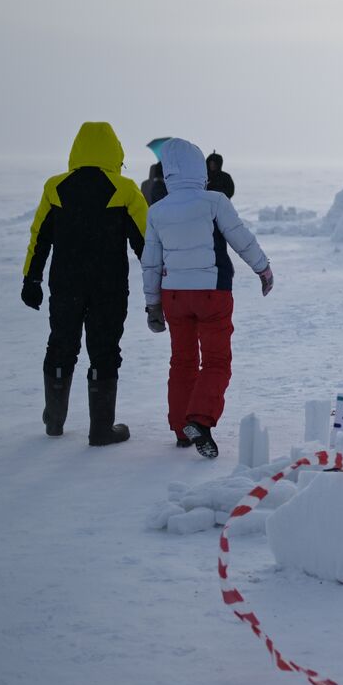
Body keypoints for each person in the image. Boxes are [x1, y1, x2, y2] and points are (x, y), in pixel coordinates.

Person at [142, 138, 273, 458]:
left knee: (182, 361)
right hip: (212, 292)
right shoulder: (214, 201)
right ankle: (199, 420)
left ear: (168, 171)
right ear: (199, 167)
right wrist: (263, 269)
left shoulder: (157, 210)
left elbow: (151, 261)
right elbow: (241, 237)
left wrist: (152, 303)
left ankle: (180, 428)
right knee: (215, 361)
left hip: (174, 296)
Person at [21, 121, 147, 445]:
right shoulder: (126, 189)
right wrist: (160, 286)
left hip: (66, 283)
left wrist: (31, 278)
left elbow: (40, 238)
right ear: (115, 151)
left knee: (61, 344)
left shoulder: (55, 187)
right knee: (104, 350)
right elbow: (147, 244)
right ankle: (101, 429)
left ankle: (55, 421)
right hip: (109, 287)